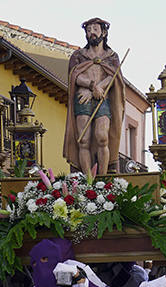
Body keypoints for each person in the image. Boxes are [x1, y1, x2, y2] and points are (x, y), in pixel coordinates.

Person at [64, 17, 126, 178]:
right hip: (82, 99)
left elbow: (114, 77)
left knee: (102, 137)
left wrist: (97, 89)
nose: (91, 33)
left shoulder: (111, 56)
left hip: (102, 99)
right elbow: (74, 76)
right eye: (88, 30)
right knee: (83, 140)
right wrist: (92, 86)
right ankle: (88, 180)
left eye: (95, 29)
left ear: (103, 32)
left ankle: (103, 178)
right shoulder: (79, 55)